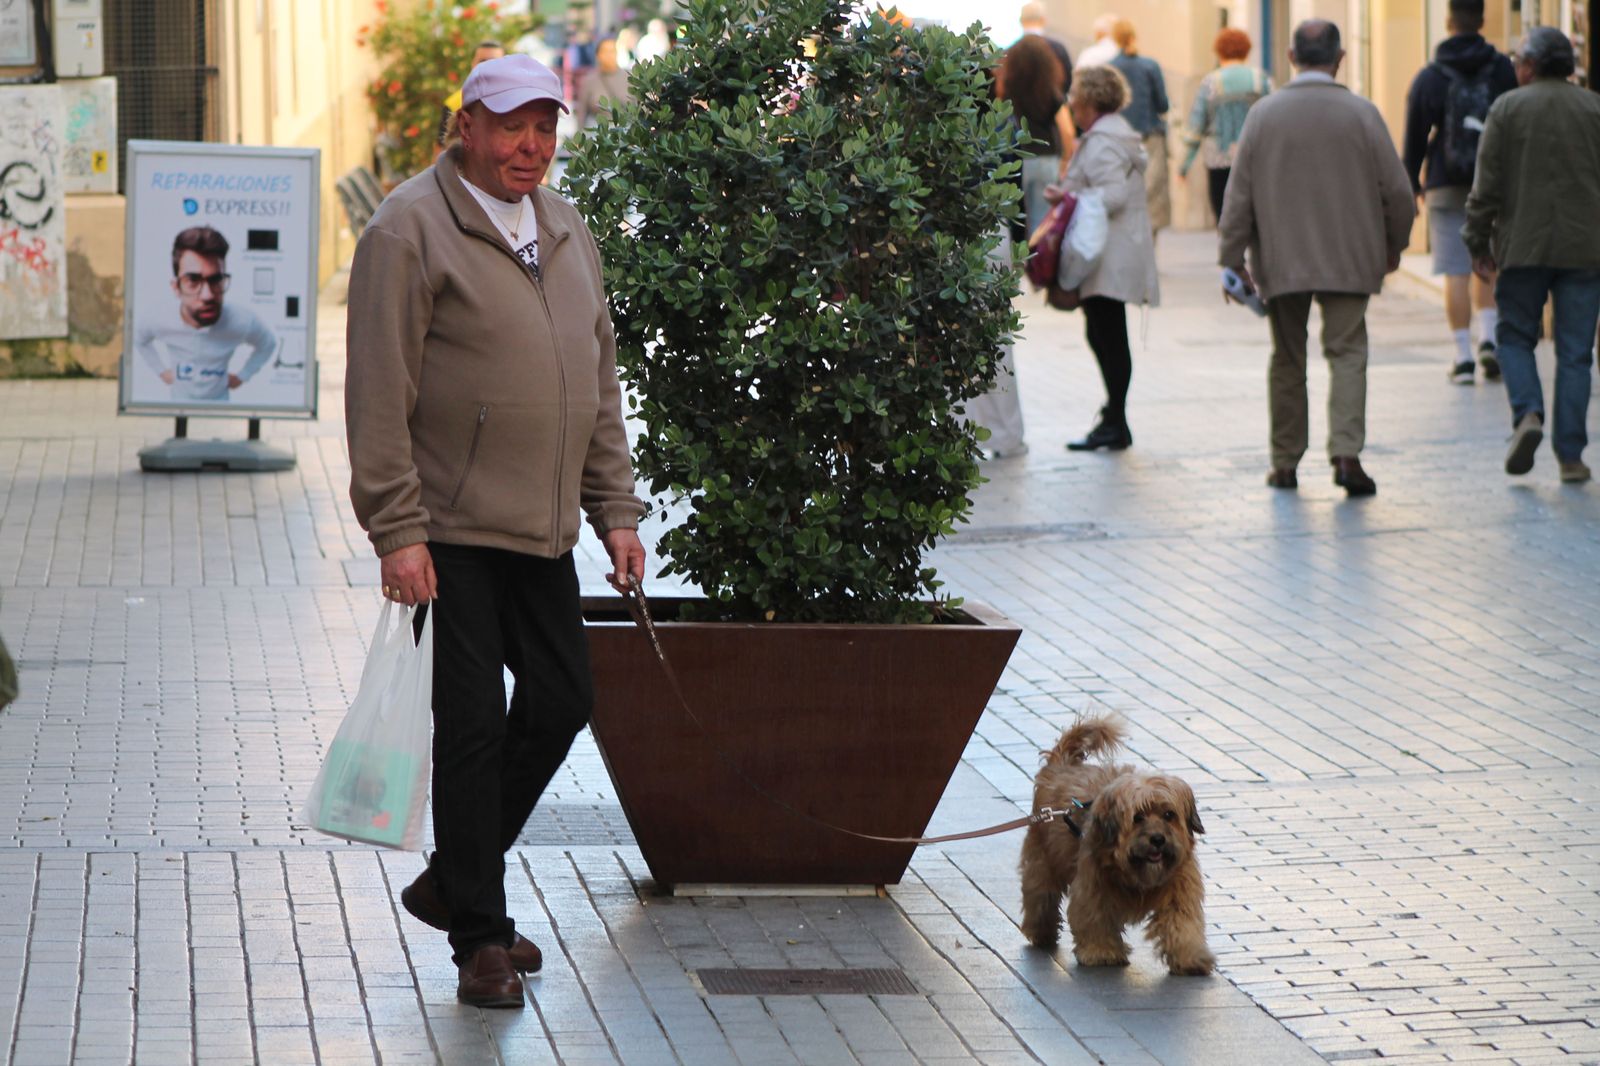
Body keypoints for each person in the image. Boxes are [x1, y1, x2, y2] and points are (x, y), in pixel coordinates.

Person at [344, 53, 647, 1009]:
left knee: (561, 698)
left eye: (546, 127)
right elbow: (377, 394)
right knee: (471, 728)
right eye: (513, 125)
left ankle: (454, 878)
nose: (532, 146)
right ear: (467, 123)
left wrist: (618, 511)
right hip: (453, 529)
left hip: (545, 527)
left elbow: (594, 387)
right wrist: (398, 530)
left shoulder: (565, 227)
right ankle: (478, 934)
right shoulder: (407, 229)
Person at [1217, 19, 1414, 496]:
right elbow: (1399, 192)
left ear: (1290, 57)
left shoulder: (1264, 115)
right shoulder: (1362, 113)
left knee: (1287, 358)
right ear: (1340, 58)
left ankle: (1285, 463)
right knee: (1347, 353)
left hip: (1283, 259)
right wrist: (1394, 245)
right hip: (1350, 257)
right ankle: (1346, 456)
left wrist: (1231, 257)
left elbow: (1237, 195)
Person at [1463, 26, 1600, 484]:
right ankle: (1572, 457)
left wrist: (1477, 242)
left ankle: (1527, 414)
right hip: (1585, 250)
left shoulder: (1507, 108)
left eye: (1518, 58)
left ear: (1530, 65)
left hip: (1522, 246)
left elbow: (1486, 187)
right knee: (1577, 353)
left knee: (1515, 337)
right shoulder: (1593, 108)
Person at [1402, 0, 1516, 385]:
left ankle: (1463, 357)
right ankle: (1490, 341)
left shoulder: (1431, 76)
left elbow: (1414, 136)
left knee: (1454, 270)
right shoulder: (1502, 69)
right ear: (1482, 21)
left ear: (1448, 21)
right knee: (1488, 261)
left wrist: (1412, 183)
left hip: (1445, 184)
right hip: (1494, 183)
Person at [1056, 64, 1158, 452]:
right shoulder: (1113, 135)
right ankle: (1115, 418)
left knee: (1109, 336)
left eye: (1076, 97)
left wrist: (1066, 199)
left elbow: (1111, 194)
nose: (1071, 104)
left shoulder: (1101, 141)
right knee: (1103, 334)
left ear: (1089, 101)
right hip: (1114, 250)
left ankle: (1115, 420)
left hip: (1106, 254)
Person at [134, 226, 278, 401]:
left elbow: (267, 343)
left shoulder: (241, 320)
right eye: (193, 281)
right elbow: (140, 339)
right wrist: (161, 371)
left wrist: (243, 376)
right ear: (176, 287)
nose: (208, 295)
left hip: (221, 408)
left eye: (216, 280)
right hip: (179, 405)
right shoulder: (159, 318)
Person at [1180, 28, 1270, 222]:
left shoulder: (1211, 82)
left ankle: (1230, 251)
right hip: (1253, 157)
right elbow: (1273, 118)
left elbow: (1196, 125)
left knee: (1224, 216)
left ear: (1219, 51)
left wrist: (1184, 165)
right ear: (1246, 51)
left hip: (1218, 158)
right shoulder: (1260, 80)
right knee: (1253, 215)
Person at [998, 35, 1076, 242]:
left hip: (1014, 159)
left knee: (1015, 218)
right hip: (1046, 159)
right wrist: (1066, 160)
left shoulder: (1007, 90)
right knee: (1042, 220)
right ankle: (1038, 266)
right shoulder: (1051, 91)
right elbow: (1066, 129)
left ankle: (1016, 266)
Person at [1110, 19, 1170, 237]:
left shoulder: (1110, 67)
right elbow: (1163, 104)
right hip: (1150, 135)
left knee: (1125, 190)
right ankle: (1150, 245)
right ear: (1134, 37)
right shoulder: (1150, 65)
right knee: (1152, 192)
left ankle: (1128, 240)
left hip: (1121, 138)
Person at [437, 40, 506, 148]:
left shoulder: (516, 101)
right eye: (482, 61)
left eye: (494, 62)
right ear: (473, 64)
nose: (487, 67)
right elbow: (441, 149)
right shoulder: (455, 104)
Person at [575, 37, 633, 129]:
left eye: (612, 51)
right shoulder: (589, 81)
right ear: (598, 55)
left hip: (626, 133)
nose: (609, 55)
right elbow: (581, 112)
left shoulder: (629, 77)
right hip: (599, 134)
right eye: (605, 51)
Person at [1018, 1, 1072, 97]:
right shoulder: (1058, 49)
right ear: (1043, 20)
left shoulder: (1008, 53)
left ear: (1021, 21)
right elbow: (1068, 82)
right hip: (1053, 109)